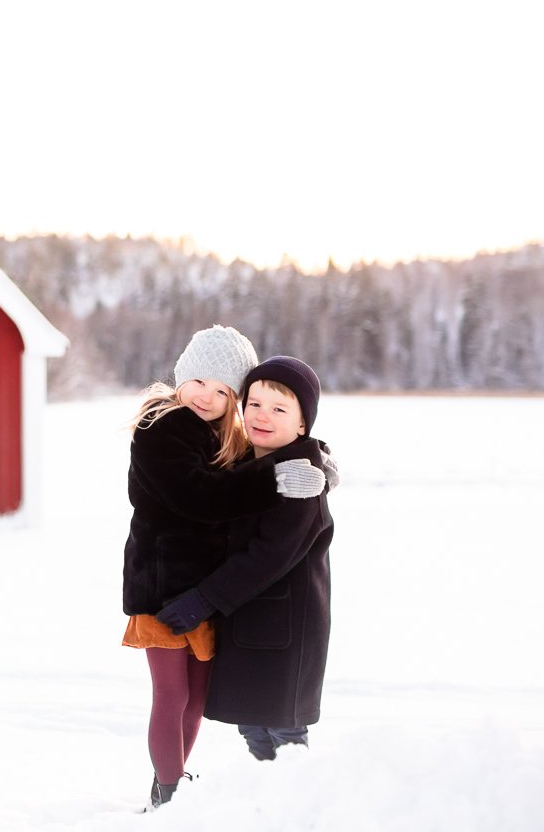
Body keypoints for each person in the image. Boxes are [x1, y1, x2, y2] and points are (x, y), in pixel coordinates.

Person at [121, 329, 329, 809]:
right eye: (199, 381)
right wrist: (278, 478)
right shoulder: (164, 427)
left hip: (200, 594)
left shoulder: (217, 432)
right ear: (181, 373)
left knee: (196, 698)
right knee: (172, 696)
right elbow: (201, 497)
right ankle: (169, 792)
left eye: (223, 391)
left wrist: (317, 463)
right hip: (162, 588)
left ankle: (171, 782)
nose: (206, 396)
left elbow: (244, 476)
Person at [156, 355, 335, 763]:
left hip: (288, 626)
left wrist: (202, 600)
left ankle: (298, 810)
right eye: (254, 404)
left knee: (283, 728)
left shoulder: (301, 479)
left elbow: (268, 556)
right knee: (252, 725)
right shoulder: (244, 465)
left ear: (303, 424)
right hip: (247, 622)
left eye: (279, 409)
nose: (262, 416)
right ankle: (266, 803)